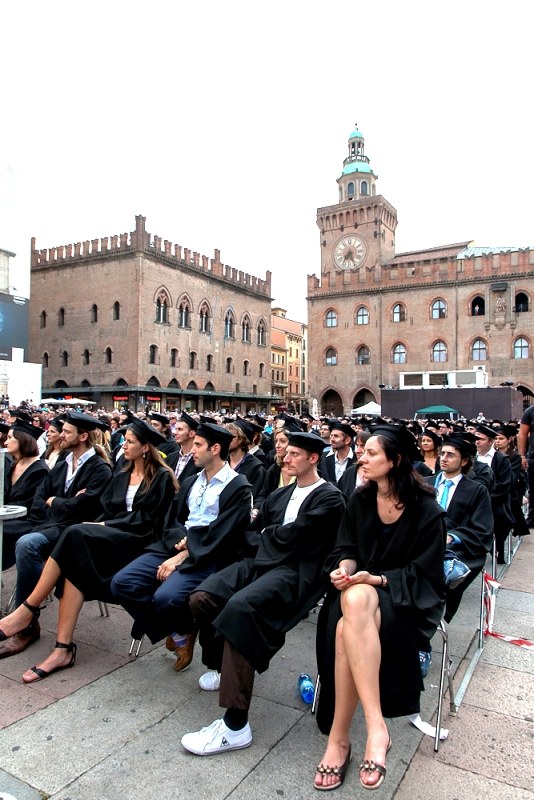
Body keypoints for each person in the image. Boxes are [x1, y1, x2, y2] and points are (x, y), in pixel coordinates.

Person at [180, 431, 346, 757]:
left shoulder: (330, 497)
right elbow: (251, 533)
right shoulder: (282, 495)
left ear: (314, 458)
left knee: (242, 609)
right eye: (287, 452)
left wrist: (270, 535)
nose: (286, 457)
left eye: (295, 453)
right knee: (203, 597)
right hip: (260, 562)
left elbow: (298, 539)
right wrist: (272, 535)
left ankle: (235, 724)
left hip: (295, 573)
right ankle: (221, 666)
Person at [313, 424, 445, 791]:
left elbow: (427, 574)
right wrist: (345, 569)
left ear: (396, 460)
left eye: (371, 453)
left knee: (347, 620)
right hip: (360, 598)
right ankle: (377, 728)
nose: (362, 456)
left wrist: (379, 580)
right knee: (352, 602)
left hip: (406, 602)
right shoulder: (359, 500)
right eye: (362, 450)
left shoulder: (427, 510)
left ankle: (339, 741)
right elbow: (347, 550)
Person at [0, 418, 177, 679]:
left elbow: (147, 521)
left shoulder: (161, 478)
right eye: (125, 441)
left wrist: (105, 522)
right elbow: (106, 507)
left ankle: (27, 610)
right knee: (74, 564)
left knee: (75, 533)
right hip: (111, 537)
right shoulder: (122, 472)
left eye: (130, 442)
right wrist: (103, 521)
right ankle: (62, 649)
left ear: (145, 448)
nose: (124, 446)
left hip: (138, 542)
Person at [111, 422, 252, 671]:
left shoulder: (238, 487)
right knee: (122, 583)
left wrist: (186, 552)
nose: (192, 449)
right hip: (176, 545)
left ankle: (181, 624)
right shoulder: (191, 481)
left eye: (198, 445)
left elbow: (225, 533)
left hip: (208, 555)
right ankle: (182, 629)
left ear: (216, 448)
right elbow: (174, 517)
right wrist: (179, 541)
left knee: (166, 597)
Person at [1, 420, 50, 571]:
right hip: (7, 517)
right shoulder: (11, 465)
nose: (6, 442)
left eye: (10, 438)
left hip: (27, 521)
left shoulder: (40, 470)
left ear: (22, 440)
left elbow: (33, 507)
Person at [475, 423, 514, 563]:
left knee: (499, 521)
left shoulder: (501, 459)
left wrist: (485, 499)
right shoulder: (472, 458)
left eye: (481, 439)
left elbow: (503, 485)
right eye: (476, 439)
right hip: (473, 502)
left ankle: (498, 551)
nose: (477, 442)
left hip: (494, 502)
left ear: (491, 441)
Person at [494, 423, 529, 539]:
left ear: (509, 440)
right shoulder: (492, 455)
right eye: (496, 438)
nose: (498, 441)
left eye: (501, 438)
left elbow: (511, 479)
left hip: (509, 491)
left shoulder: (515, 457)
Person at [251, 426, 296, 517]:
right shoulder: (274, 469)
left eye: (282, 441)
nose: (277, 445)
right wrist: (256, 508)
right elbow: (264, 494)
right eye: (276, 441)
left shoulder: (302, 471)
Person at [319, 421, 357, 486]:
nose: (332, 439)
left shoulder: (357, 459)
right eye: (331, 436)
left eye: (336, 436)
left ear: (347, 440)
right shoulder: (323, 458)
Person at [171, 411, 202, 482]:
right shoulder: (170, 458)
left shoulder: (200, 461)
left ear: (191, 433)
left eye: (180, 429)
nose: (175, 433)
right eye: (175, 429)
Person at [516, 405, 534, 527]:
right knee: (533, 490)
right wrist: (522, 456)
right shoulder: (530, 412)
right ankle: (533, 518)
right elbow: (522, 434)